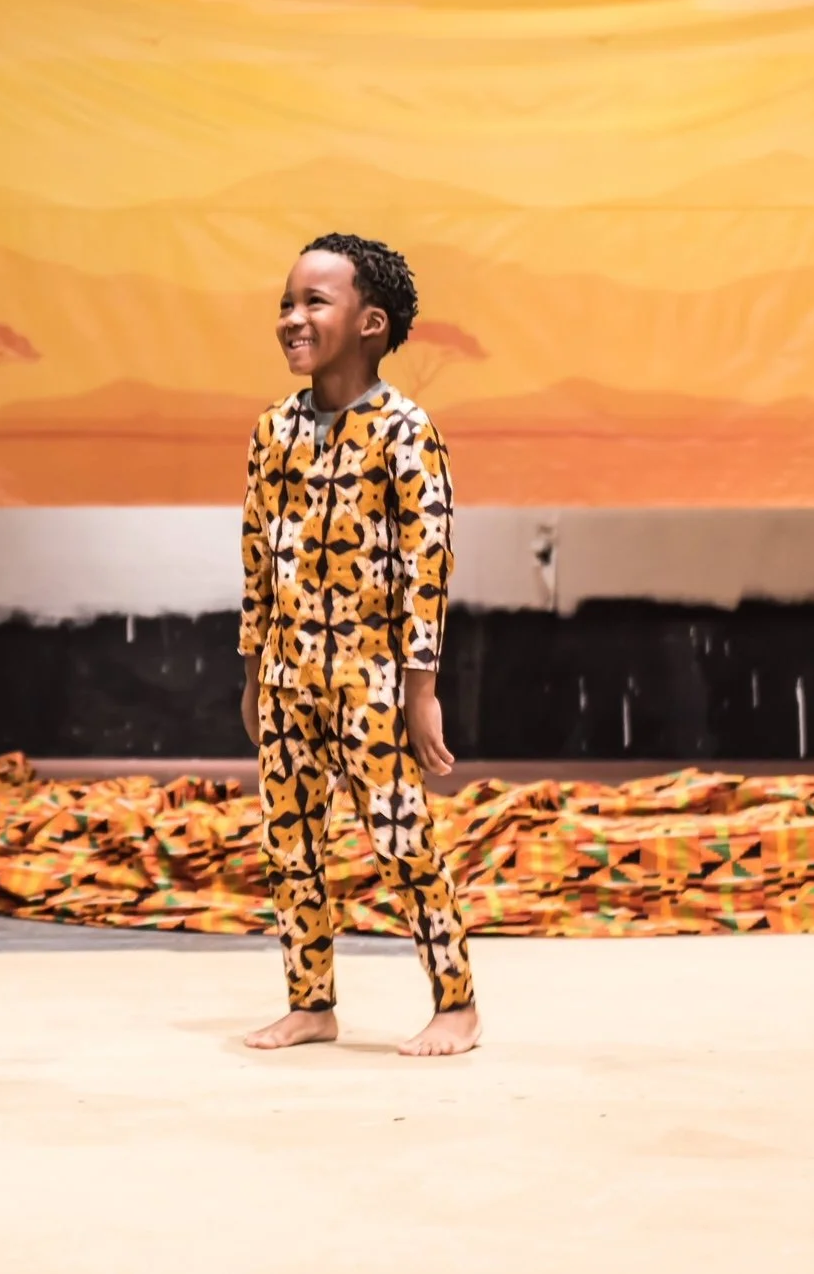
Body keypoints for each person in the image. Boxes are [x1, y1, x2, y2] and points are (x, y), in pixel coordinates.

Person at [236, 232, 482, 1058]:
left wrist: (420, 690)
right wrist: (253, 673)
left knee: (402, 839)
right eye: (286, 302)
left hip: (370, 680)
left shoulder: (406, 432)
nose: (292, 317)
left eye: (315, 301)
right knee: (289, 844)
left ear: (371, 323)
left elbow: (426, 566)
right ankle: (310, 1003)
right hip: (286, 676)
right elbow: (256, 558)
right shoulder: (272, 431)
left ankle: (456, 1004)